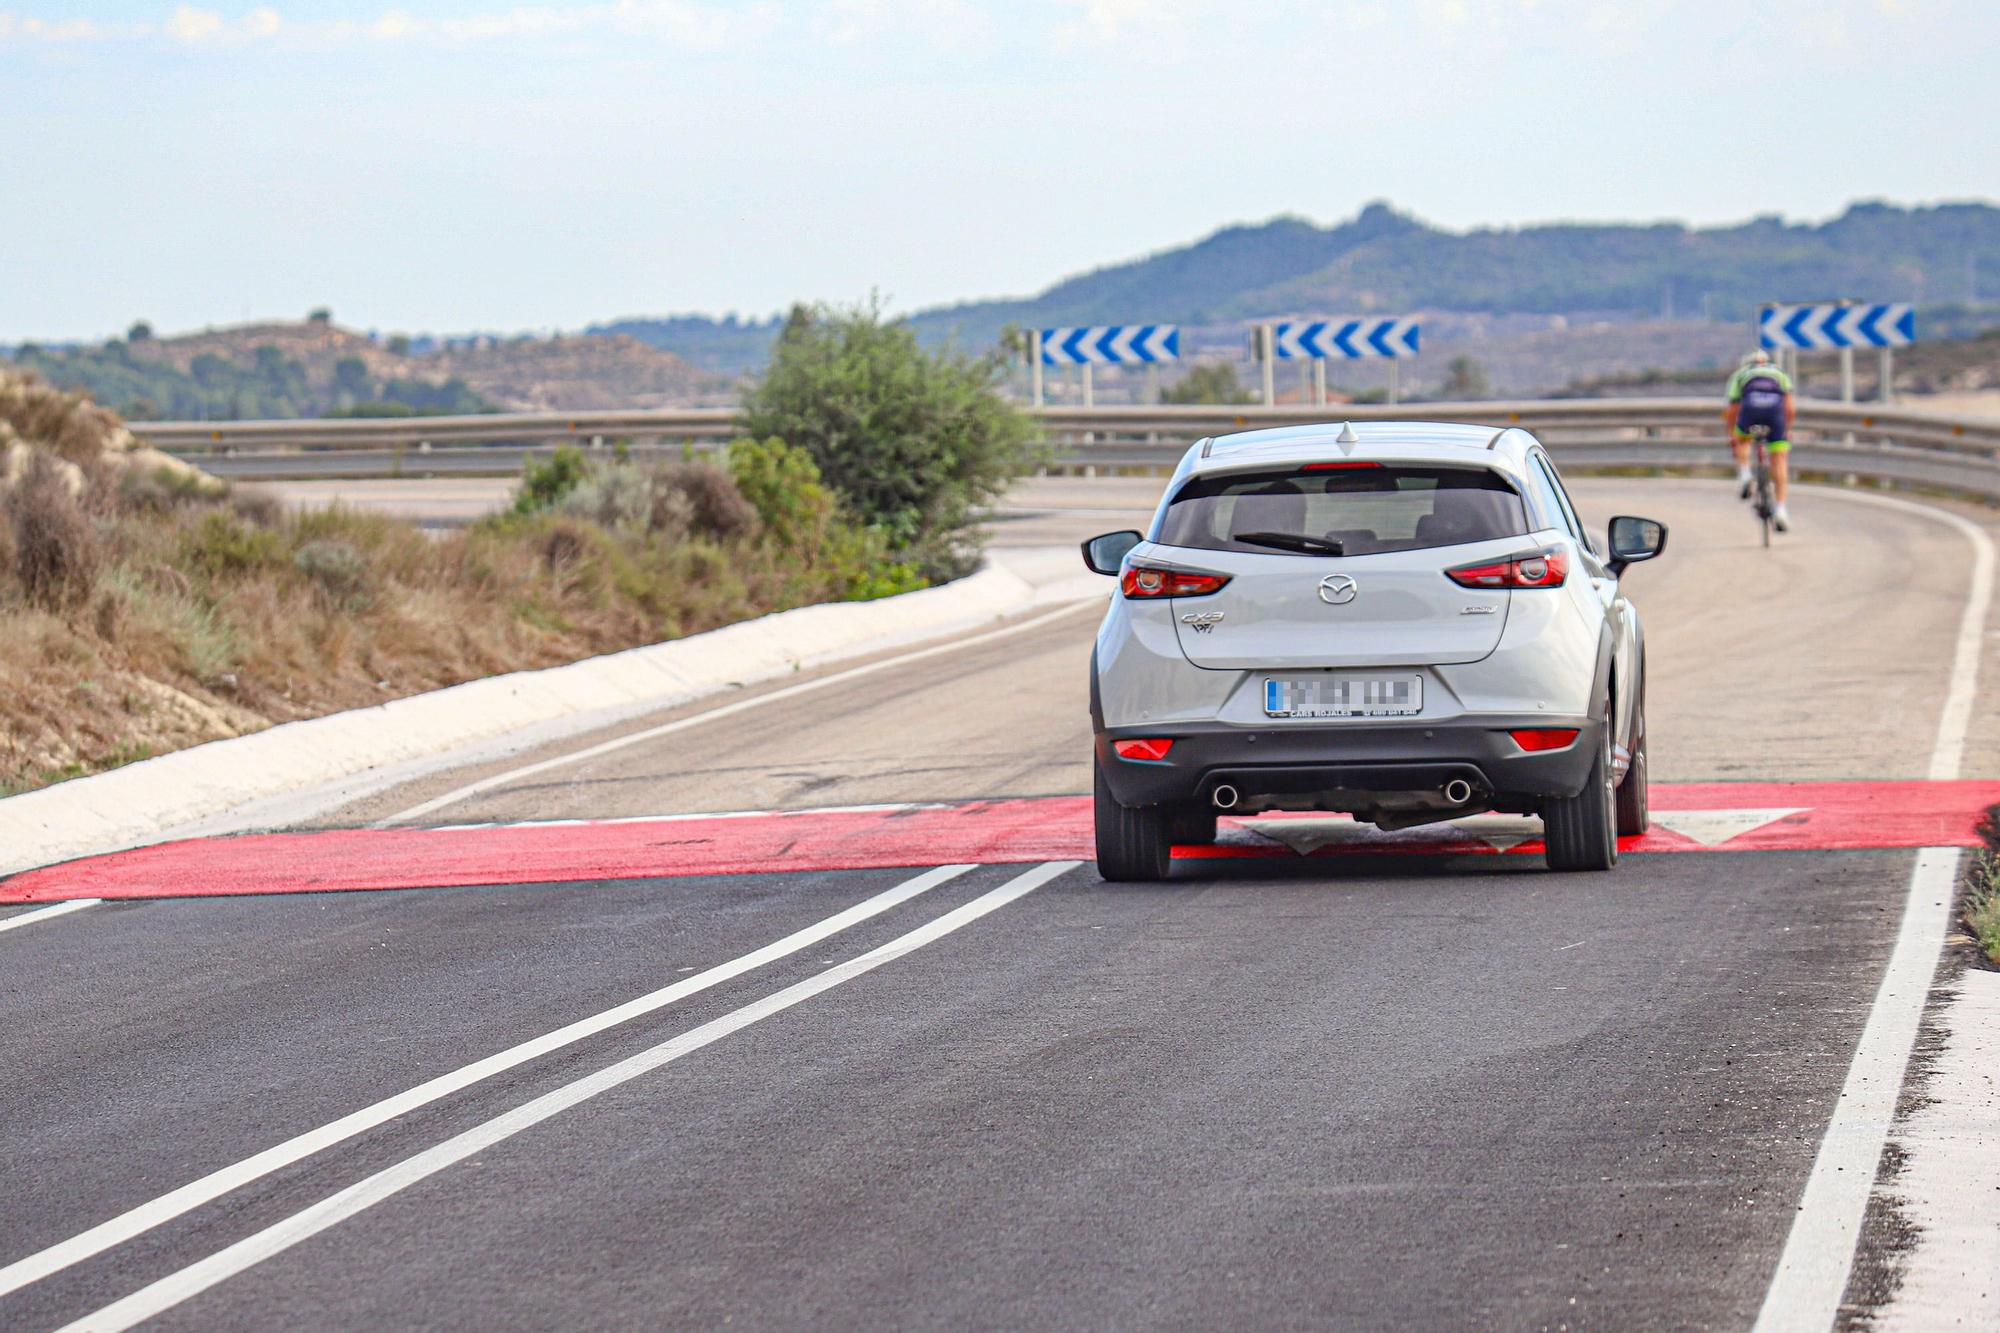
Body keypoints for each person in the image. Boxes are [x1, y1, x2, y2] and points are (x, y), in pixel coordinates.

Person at [1724, 350, 1794, 532]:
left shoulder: (1740, 374)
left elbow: (1733, 409)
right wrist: (1787, 428)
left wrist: (1732, 434)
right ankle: (1780, 510)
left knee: (1743, 439)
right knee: (1778, 458)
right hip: (1775, 414)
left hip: (1751, 410)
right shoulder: (1779, 372)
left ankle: (1746, 475)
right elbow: (1789, 406)